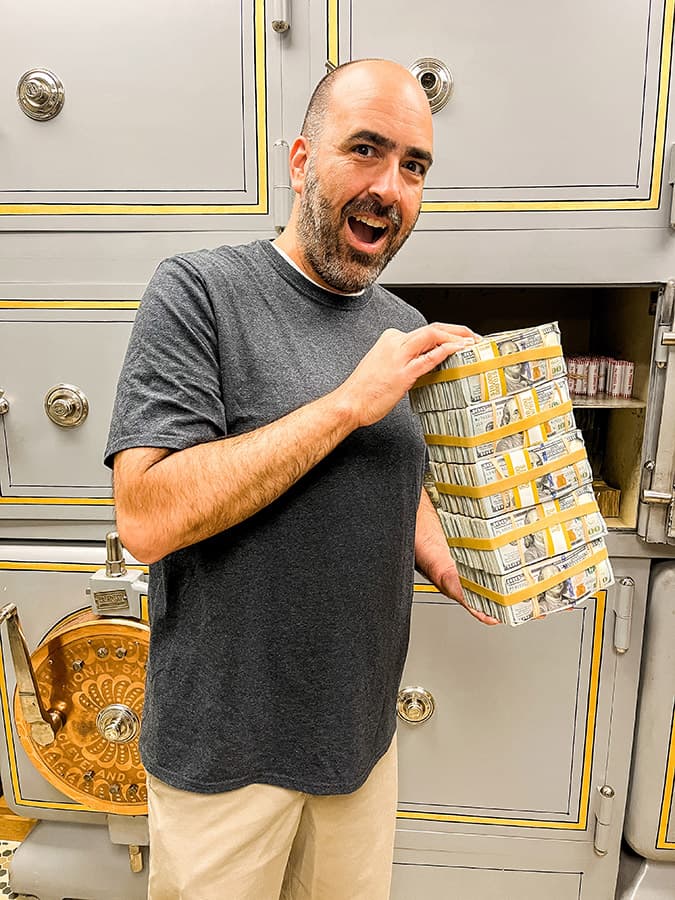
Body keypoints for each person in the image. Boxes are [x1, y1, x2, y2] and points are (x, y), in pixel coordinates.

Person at [105, 58, 498, 900]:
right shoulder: (199, 292)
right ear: (299, 160)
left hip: (357, 744)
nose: (390, 187)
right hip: (225, 759)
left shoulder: (403, 325)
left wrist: (450, 555)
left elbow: (398, 473)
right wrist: (347, 402)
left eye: (414, 165)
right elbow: (145, 515)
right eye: (365, 149)